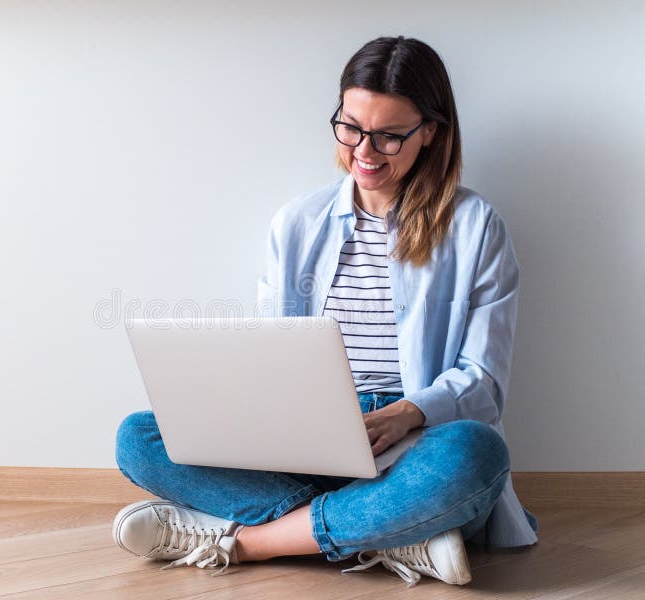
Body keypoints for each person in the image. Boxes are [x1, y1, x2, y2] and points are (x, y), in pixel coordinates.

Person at [112, 35, 539, 588]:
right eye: (351, 126)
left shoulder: (477, 227)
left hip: (416, 440)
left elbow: (483, 383)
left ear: (430, 133)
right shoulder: (297, 223)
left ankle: (244, 541)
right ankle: (393, 534)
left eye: (389, 136)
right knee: (139, 437)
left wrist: (406, 413)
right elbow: (273, 353)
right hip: (307, 436)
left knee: (476, 454)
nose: (364, 150)